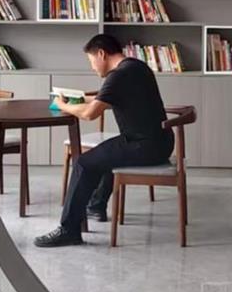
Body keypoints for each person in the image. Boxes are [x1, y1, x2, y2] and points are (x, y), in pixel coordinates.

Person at [33, 33, 174, 247]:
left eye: (91, 61)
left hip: (143, 146)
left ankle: (69, 230)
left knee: (84, 162)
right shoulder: (136, 66)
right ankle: (96, 206)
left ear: (101, 54)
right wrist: (77, 98)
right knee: (104, 154)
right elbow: (103, 97)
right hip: (161, 142)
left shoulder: (118, 76)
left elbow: (90, 113)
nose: (92, 67)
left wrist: (61, 105)